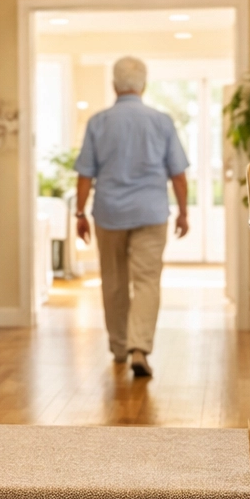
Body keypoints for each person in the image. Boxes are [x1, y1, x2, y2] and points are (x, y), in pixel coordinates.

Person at [73, 56, 190, 378]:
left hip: (109, 212)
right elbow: (178, 175)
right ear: (144, 86)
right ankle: (140, 347)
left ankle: (120, 347)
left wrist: (79, 213)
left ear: (114, 86)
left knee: (113, 282)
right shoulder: (161, 121)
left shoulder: (98, 122)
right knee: (148, 281)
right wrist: (183, 211)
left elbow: (85, 175)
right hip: (151, 212)